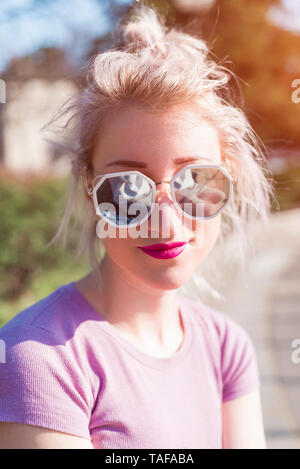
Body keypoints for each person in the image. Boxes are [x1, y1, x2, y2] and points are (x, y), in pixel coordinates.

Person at [0, 5, 274, 449]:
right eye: (127, 188)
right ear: (89, 188)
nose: (165, 222)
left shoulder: (226, 348)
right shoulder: (38, 356)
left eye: (196, 180)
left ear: (230, 178)